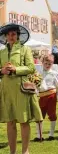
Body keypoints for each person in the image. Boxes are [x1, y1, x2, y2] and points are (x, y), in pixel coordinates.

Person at [0, 23, 42, 154]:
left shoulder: (25, 49)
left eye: (14, 34)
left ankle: (25, 151)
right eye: (9, 34)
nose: (11, 36)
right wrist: (2, 70)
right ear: (5, 36)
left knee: (24, 121)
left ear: (18, 36)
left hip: (21, 90)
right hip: (6, 89)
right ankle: (12, 151)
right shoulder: (1, 52)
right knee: (10, 122)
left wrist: (15, 69)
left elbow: (31, 68)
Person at [34, 54, 58, 141]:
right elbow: (36, 85)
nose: (48, 65)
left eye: (50, 64)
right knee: (39, 115)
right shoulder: (38, 74)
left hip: (51, 96)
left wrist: (57, 96)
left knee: (52, 114)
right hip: (42, 96)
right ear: (42, 63)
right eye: (46, 63)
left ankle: (51, 134)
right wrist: (36, 93)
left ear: (52, 64)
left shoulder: (54, 73)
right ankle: (39, 135)